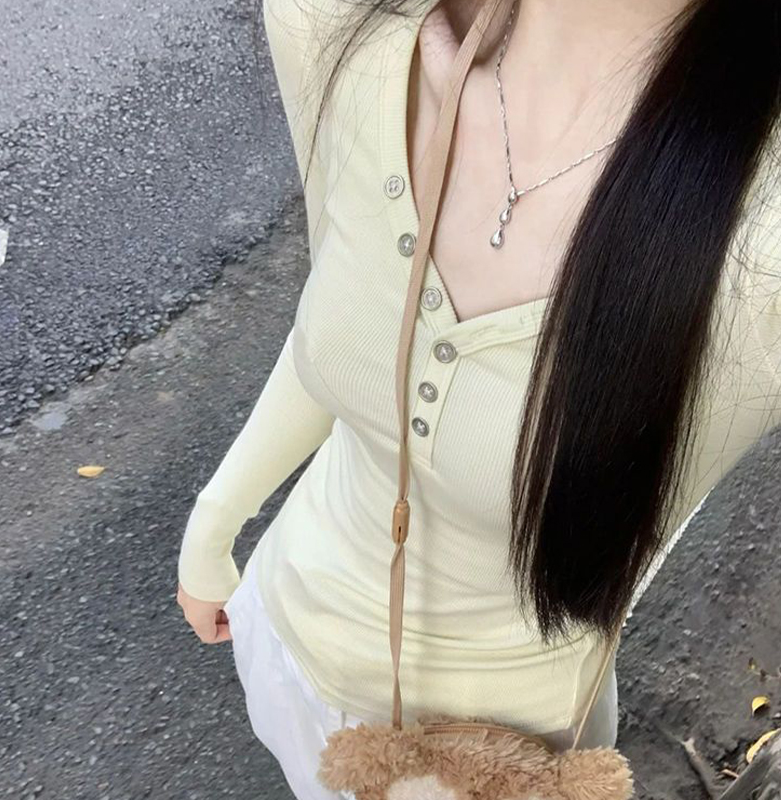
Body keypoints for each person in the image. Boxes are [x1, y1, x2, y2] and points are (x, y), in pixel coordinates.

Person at [177, 0, 781, 797]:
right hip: (286, 629)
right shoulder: (335, 24)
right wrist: (216, 519)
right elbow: (345, 322)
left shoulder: (762, 247)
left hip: (507, 757)